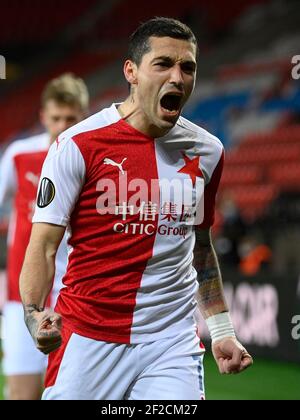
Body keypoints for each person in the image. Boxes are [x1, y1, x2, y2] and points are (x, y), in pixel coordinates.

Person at [20, 18, 253, 400]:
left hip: (171, 341)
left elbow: (199, 244)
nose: (177, 77)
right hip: (89, 336)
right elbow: (44, 245)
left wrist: (222, 329)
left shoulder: (208, 151)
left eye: (188, 67)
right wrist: (34, 313)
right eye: (163, 64)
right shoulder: (77, 145)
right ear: (131, 71)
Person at [0, 73, 89, 400]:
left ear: (84, 115)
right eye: (56, 118)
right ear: (43, 117)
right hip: (21, 297)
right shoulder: (19, 155)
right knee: (23, 396)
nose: (63, 125)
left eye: (71, 118)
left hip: (75, 296)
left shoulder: (93, 159)